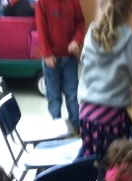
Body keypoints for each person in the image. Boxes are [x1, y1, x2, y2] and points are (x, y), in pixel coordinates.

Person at [77, 0, 132, 161]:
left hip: (86, 113)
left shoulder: (90, 36)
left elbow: (85, 64)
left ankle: (84, 173)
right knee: (114, 163)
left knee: (92, 157)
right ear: (131, 10)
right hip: (112, 119)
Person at [35, 0, 85, 132]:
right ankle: (57, 128)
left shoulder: (73, 1)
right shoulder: (42, 3)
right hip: (51, 60)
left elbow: (80, 23)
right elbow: (41, 29)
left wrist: (76, 40)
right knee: (54, 97)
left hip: (70, 59)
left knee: (72, 96)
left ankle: (76, 128)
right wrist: (47, 54)